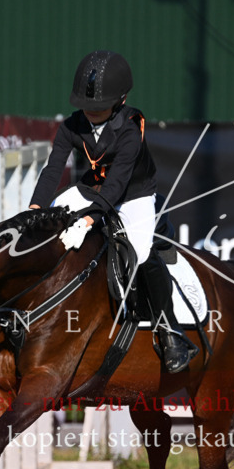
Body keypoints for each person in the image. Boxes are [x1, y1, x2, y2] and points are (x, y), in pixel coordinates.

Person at [29, 50, 197, 373]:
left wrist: (89, 219)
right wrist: (35, 209)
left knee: (141, 252)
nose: (91, 111)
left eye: (99, 106)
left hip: (134, 193)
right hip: (93, 187)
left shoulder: (131, 130)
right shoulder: (71, 126)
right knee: (47, 227)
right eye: (85, 105)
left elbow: (117, 184)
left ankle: (170, 330)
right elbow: (53, 170)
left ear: (121, 100)